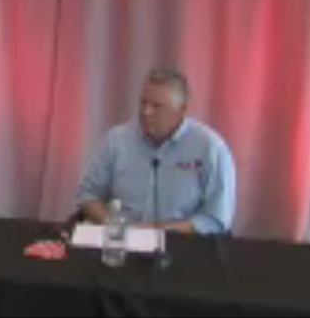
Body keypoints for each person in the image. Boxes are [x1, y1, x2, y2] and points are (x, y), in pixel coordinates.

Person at [76, 67, 236, 235]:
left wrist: (154, 233)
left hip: (182, 244)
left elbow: (215, 218)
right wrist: (118, 227)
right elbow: (88, 196)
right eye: (143, 103)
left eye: (156, 106)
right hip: (120, 241)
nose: (146, 112)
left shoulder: (211, 148)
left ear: (182, 110)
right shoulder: (116, 140)